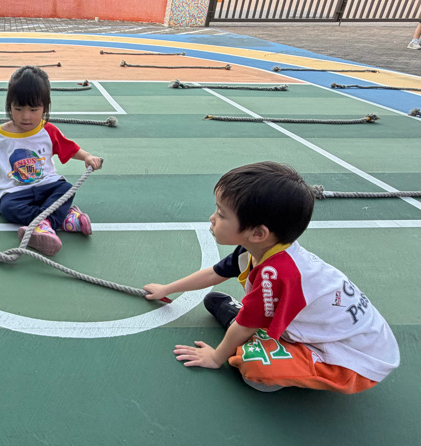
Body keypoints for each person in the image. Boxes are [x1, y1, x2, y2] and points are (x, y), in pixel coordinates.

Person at [143, 162, 399, 393]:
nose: (212, 218)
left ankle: (240, 320)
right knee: (248, 327)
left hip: (351, 359)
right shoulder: (258, 251)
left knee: (255, 371)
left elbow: (245, 327)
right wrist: (167, 288)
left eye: (221, 214)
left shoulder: (275, 274)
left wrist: (216, 358)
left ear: (258, 233)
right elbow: (215, 273)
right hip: (335, 333)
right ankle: (249, 321)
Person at [0, 65, 103, 256]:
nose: (26, 116)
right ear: (9, 105)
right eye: (18, 109)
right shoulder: (5, 132)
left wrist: (87, 156)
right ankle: (61, 219)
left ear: (45, 106)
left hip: (46, 185)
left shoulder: (48, 131)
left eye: (34, 109)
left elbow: (69, 148)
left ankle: (45, 224)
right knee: (8, 208)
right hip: (15, 190)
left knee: (66, 189)